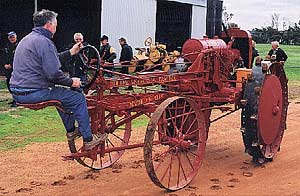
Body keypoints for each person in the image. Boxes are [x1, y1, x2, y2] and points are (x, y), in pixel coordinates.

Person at [9, 9, 107, 150]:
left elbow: (49, 61)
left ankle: (71, 131)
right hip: (33, 92)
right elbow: (53, 74)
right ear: (49, 25)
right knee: (78, 98)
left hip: (18, 92)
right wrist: (72, 81)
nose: (56, 28)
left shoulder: (27, 39)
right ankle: (89, 139)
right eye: (55, 25)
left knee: (61, 96)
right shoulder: (45, 42)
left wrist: (71, 52)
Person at [3, 31, 18, 107]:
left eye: (13, 37)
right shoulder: (6, 47)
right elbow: (4, 56)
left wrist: (12, 65)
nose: (12, 38)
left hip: (16, 68)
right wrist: (5, 64)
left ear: (16, 37)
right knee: (9, 83)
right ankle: (14, 98)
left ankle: (17, 100)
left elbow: (19, 58)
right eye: (10, 37)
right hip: (8, 69)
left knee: (16, 84)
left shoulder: (19, 46)